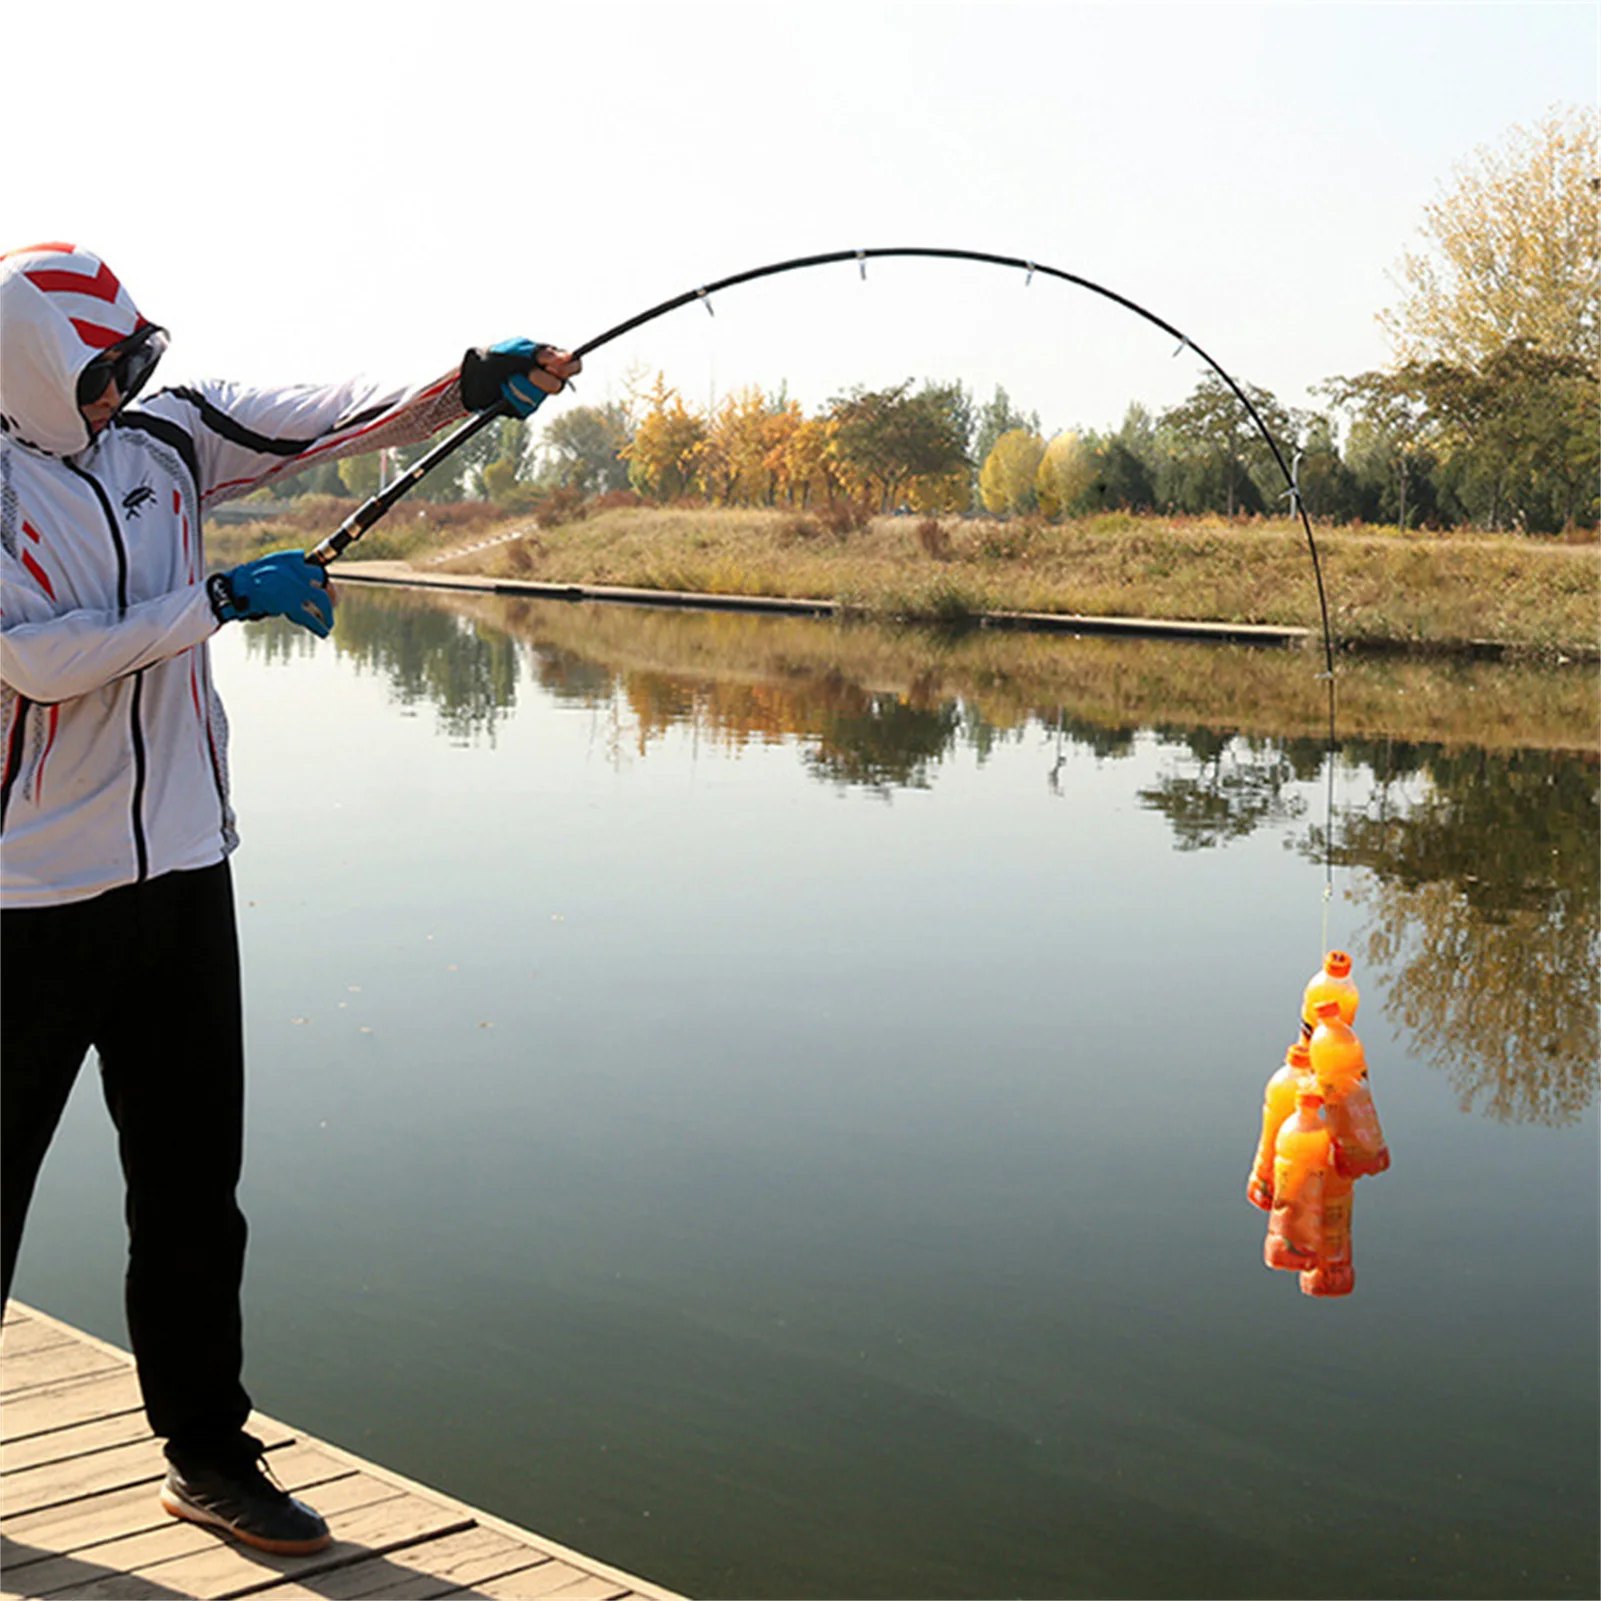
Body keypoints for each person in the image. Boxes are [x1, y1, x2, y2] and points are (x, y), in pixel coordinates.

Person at [0, 242, 579, 1555]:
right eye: (100, 374)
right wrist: (210, 602)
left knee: (198, 1197)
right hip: (24, 904)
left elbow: (324, 416)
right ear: (28, 374)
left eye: (135, 364)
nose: (124, 393)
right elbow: (28, 662)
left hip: (184, 884)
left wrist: (460, 387)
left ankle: (206, 1454)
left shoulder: (167, 442)